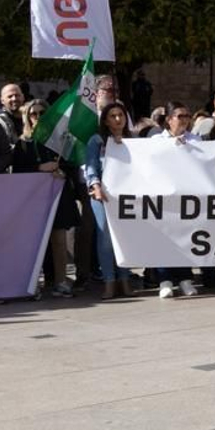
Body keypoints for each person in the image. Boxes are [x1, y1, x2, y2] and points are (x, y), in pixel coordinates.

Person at [11, 100, 80, 298]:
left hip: (59, 196)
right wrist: (39, 168)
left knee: (59, 240)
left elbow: (72, 164)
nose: (38, 117)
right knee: (35, 242)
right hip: (33, 200)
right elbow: (17, 172)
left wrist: (61, 171)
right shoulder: (23, 144)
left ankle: (61, 282)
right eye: (34, 114)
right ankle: (34, 283)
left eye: (43, 113)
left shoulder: (61, 140)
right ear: (27, 117)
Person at [84, 103, 136, 300]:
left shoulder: (133, 141)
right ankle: (109, 282)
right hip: (103, 195)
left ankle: (125, 280)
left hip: (127, 197)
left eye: (120, 115)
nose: (117, 119)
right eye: (112, 116)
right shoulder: (97, 141)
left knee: (124, 238)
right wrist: (95, 186)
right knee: (105, 239)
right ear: (105, 120)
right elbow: (91, 166)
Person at [150, 104, 201, 298]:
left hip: (187, 196)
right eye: (180, 116)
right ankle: (165, 280)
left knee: (185, 237)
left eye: (188, 116)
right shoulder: (156, 140)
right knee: (163, 238)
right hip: (162, 197)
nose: (185, 119)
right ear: (169, 119)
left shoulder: (195, 139)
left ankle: (185, 279)